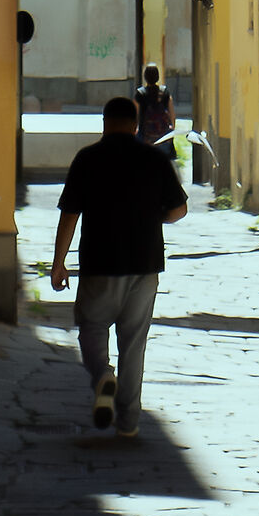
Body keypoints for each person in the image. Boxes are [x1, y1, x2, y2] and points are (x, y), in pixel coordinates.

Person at [51, 96, 188, 437]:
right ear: (135, 124)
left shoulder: (87, 159)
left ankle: (102, 377)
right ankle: (128, 422)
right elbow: (179, 209)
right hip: (144, 265)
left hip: (100, 262)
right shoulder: (154, 159)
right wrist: (154, 217)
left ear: (104, 122)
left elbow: (70, 213)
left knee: (92, 328)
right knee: (134, 343)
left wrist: (58, 263)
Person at [135, 62, 177, 160]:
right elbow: (172, 115)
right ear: (158, 76)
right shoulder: (165, 92)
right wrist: (171, 131)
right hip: (163, 138)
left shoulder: (140, 94)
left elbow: (135, 115)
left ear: (145, 77)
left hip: (145, 138)